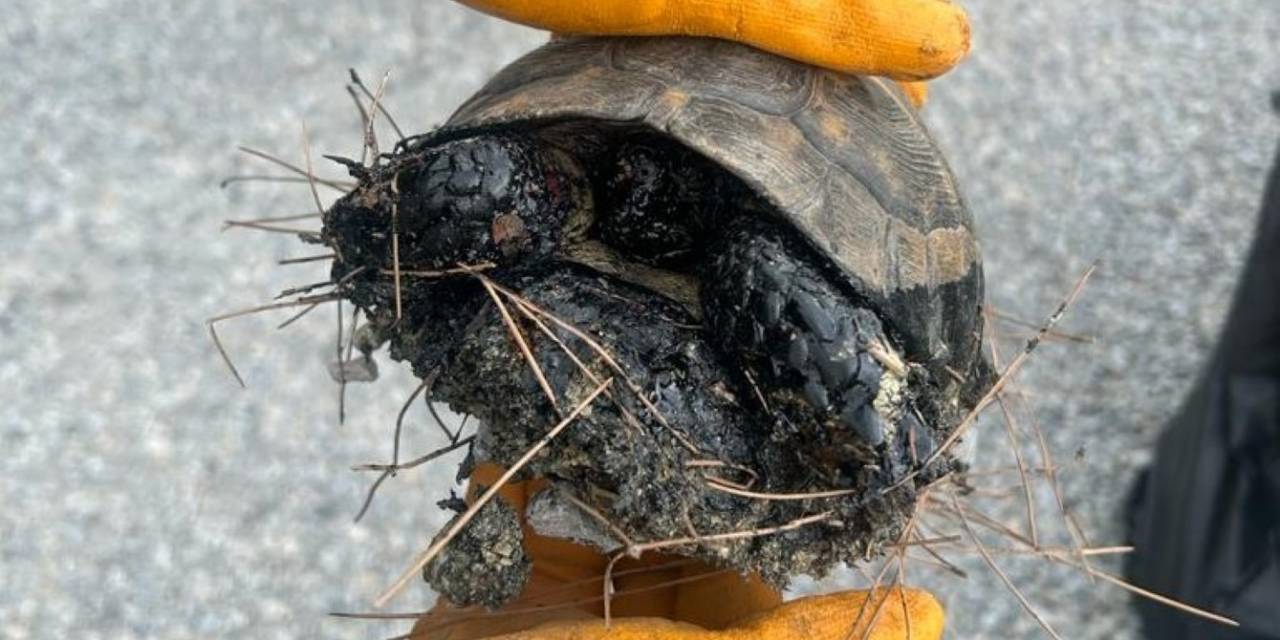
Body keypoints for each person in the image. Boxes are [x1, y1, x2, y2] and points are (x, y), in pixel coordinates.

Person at [413, 2, 974, 637]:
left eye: (674, 187)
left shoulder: (754, 255)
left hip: (752, 247)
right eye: (623, 171)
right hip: (569, 209)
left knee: (772, 287)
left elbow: (792, 306)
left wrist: (871, 441)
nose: (638, 192)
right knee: (467, 188)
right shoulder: (555, 181)